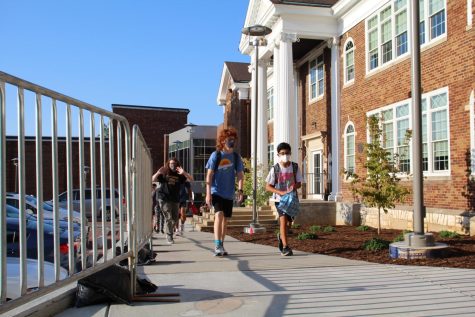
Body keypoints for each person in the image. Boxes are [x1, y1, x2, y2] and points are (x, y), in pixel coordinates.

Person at [205, 127, 244, 256]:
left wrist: (240, 190)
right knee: (219, 215)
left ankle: (221, 244)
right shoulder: (216, 155)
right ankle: (217, 244)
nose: (231, 141)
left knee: (225, 219)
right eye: (229, 139)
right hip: (216, 191)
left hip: (229, 192)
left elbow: (240, 175)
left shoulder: (236, 157)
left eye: (233, 139)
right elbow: (209, 175)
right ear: (222, 141)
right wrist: (208, 193)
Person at [265, 142, 302, 256]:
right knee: (283, 221)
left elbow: (299, 183)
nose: (285, 155)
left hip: (292, 199)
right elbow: (268, 186)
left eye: (287, 153)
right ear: (278, 154)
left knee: (289, 224)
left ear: (290, 153)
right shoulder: (275, 168)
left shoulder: (295, 167)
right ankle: (285, 247)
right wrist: (280, 192)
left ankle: (281, 237)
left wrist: (294, 186)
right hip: (280, 200)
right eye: (282, 153)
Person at [152, 158, 193, 244]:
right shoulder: (165, 172)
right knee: (168, 217)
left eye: (174, 163)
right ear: (168, 164)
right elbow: (153, 179)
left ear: (177, 164)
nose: (172, 165)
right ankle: (170, 236)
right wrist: (158, 173)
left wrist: (184, 173)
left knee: (175, 218)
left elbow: (191, 179)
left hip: (175, 198)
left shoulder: (179, 174)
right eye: (171, 164)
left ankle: (168, 232)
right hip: (164, 198)